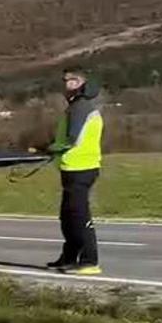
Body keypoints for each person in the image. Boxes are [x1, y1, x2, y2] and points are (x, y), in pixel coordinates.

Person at [46, 68, 104, 275]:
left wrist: (50, 148)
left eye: (73, 80)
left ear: (83, 84)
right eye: (65, 80)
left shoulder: (80, 107)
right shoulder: (76, 107)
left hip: (81, 169)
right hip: (72, 168)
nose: (67, 85)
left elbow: (72, 140)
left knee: (79, 217)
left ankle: (90, 261)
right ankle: (69, 258)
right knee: (68, 216)